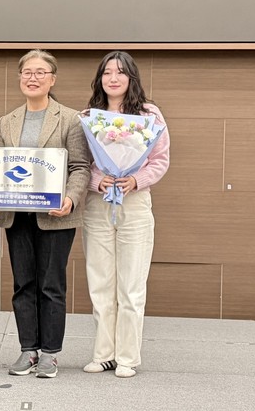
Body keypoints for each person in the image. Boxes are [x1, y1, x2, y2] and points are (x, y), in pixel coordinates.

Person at [0, 49, 90, 378]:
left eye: (40, 72)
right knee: (23, 283)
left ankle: (50, 353)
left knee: (51, 284)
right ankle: (28, 350)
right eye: (27, 72)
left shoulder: (70, 119)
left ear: (52, 80)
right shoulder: (7, 121)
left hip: (56, 216)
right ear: (20, 78)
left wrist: (70, 199)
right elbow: (0, 169)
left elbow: (80, 167)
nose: (33, 78)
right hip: (17, 216)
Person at [81, 51, 170, 378]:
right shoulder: (89, 116)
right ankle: (104, 354)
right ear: (100, 79)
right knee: (100, 282)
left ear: (132, 78)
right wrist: (97, 180)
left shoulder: (149, 115)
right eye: (107, 72)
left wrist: (136, 180)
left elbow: (160, 160)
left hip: (134, 203)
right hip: (98, 204)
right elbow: (80, 162)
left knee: (131, 285)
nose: (113, 78)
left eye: (120, 72)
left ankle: (127, 358)